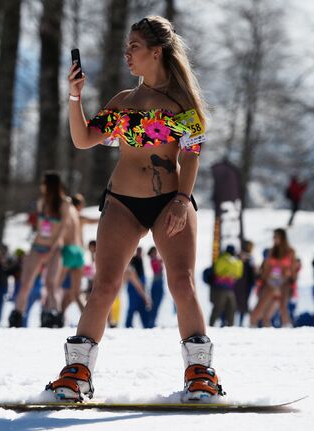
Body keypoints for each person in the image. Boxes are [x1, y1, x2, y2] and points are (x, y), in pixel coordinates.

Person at [46, 16, 224, 402]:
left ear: (156, 51)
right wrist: (75, 96)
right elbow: (83, 139)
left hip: (170, 202)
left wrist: (181, 200)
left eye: (134, 47)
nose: (127, 53)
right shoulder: (122, 103)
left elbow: (192, 156)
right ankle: (76, 374)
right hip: (122, 202)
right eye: (127, 46)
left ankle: (201, 374)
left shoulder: (182, 104)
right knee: (105, 286)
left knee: (181, 283)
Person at [8, 171, 70, 328]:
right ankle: (17, 315)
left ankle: (54, 315)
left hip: (55, 248)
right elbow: (40, 227)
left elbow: (63, 228)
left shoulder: (64, 203)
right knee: (26, 283)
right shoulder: (42, 202)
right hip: (38, 246)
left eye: (43, 183)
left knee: (51, 284)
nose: (41, 186)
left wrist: (53, 247)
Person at [250, 229, 297, 328]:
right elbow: (267, 267)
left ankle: (287, 328)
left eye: (276, 236)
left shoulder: (290, 251)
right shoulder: (272, 251)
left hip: (284, 282)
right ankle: (253, 326)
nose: (274, 239)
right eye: (274, 236)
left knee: (283, 307)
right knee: (261, 307)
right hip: (271, 281)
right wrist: (262, 279)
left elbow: (293, 268)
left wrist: (293, 281)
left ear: (283, 238)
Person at [58, 196, 88, 324]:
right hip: (79, 252)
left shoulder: (66, 214)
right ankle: (88, 319)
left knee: (55, 287)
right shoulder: (79, 216)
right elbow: (93, 220)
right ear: (79, 205)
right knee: (76, 293)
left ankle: (57, 317)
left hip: (68, 251)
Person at [209, 245, 243, 327]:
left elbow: (218, 271)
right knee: (230, 307)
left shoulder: (222, 259)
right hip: (226, 287)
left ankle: (212, 324)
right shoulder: (236, 261)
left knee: (220, 307)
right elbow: (238, 274)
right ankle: (229, 325)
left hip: (223, 287)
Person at [124, 247, 152, 328]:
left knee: (141, 308)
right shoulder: (133, 260)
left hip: (138, 283)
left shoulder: (139, 260)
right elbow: (134, 280)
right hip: (133, 286)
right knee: (133, 308)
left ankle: (145, 325)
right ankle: (128, 325)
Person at [235, 240, 256, 326]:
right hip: (245, 283)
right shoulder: (248, 258)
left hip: (241, 283)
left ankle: (240, 322)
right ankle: (240, 322)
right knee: (243, 303)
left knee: (241, 303)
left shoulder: (239, 256)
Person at [147, 246, 164, 327]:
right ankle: (151, 322)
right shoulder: (153, 260)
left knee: (156, 304)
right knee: (155, 304)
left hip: (158, 283)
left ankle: (152, 322)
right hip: (157, 283)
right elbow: (157, 270)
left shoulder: (155, 260)